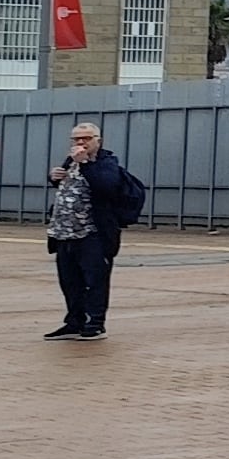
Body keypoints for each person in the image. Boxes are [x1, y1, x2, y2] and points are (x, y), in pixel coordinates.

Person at [43, 122, 140, 339]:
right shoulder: (72, 162)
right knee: (69, 281)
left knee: (95, 280)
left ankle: (95, 323)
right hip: (64, 233)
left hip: (93, 234)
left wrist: (85, 163)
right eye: (76, 139)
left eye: (86, 138)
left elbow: (105, 187)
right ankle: (74, 322)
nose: (80, 143)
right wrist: (54, 177)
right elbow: (68, 187)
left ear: (98, 140)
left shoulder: (106, 163)